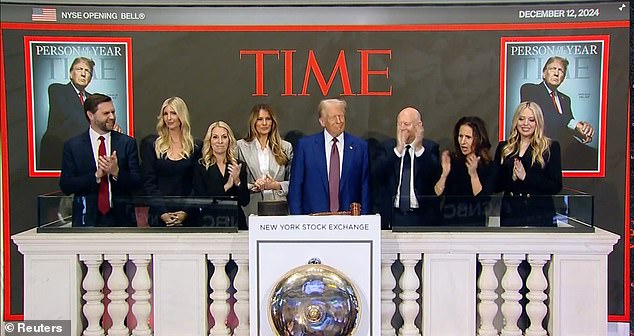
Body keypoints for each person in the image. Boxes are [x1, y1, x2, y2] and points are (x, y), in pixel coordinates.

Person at [59, 93, 142, 227]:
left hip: (121, 220)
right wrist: (96, 176)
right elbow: (66, 185)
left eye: (113, 112)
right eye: (106, 113)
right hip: (86, 220)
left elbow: (137, 183)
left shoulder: (127, 143)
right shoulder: (73, 146)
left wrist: (116, 172)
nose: (112, 117)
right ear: (90, 115)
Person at [288, 98, 370, 215]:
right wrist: (298, 221)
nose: (339, 121)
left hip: (350, 222)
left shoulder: (359, 147)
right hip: (313, 222)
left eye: (341, 116)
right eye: (333, 117)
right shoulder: (305, 147)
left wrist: (364, 219)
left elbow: (365, 187)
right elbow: (296, 187)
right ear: (322, 121)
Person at [490, 101, 562, 227]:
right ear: (516, 121)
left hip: (539, 214)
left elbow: (555, 186)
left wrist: (526, 177)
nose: (526, 124)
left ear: (538, 122)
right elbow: (496, 186)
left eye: (531, 120)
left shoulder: (550, 148)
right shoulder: (505, 148)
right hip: (511, 214)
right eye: (521, 119)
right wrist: (510, 177)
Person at [520, 56, 596, 170]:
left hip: (565, 148)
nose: (556, 73)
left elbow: (568, 125)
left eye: (561, 71)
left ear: (563, 77)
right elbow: (543, 115)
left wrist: (583, 131)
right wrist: (575, 125)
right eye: (553, 69)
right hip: (541, 147)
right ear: (544, 73)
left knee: (595, 157)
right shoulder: (529, 89)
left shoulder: (566, 99)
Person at [373, 107, 440, 227]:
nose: (403, 128)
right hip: (393, 216)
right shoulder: (387, 148)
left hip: (421, 217)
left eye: (407, 124)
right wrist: (398, 150)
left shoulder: (430, 148)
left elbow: (434, 174)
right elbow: (377, 173)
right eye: (400, 124)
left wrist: (419, 149)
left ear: (418, 126)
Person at [140, 97, 201, 227]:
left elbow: (198, 184)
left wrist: (185, 212)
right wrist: (162, 213)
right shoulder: (151, 145)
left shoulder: (196, 147)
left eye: (173, 113)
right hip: (159, 215)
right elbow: (149, 183)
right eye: (165, 114)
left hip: (189, 216)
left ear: (181, 115)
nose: (169, 118)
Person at [434, 116, 492, 226]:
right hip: (448, 222)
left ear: (478, 139)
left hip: (473, 224)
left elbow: (482, 201)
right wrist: (444, 174)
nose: (463, 142)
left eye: (468, 137)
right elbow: (437, 194)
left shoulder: (487, 165)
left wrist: (473, 174)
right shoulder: (451, 161)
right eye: (460, 136)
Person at [237, 104, 293, 217]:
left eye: (268, 119)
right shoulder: (240, 146)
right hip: (251, 208)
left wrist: (275, 185)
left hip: (278, 208)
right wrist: (253, 185)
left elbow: (293, 182)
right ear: (253, 122)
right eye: (259, 119)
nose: (264, 123)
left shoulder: (285, 147)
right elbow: (237, 182)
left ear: (273, 122)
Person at [40, 57, 95, 170]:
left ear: (90, 79)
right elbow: (70, 115)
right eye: (80, 69)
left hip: (83, 155)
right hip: (57, 152)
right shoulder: (57, 90)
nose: (83, 74)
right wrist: (98, 121)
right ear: (71, 74)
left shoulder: (93, 99)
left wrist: (109, 125)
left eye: (87, 71)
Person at [192, 121, 249, 229]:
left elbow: (245, 201)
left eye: (224, 137)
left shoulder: (238, 165)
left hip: (236, 222)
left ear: (229, 140)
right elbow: (202, 200)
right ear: (210, 140)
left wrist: (237, 181)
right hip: (210, 222)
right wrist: (226, 186)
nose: (220, 141)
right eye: (215, 137)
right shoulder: (201, 166)